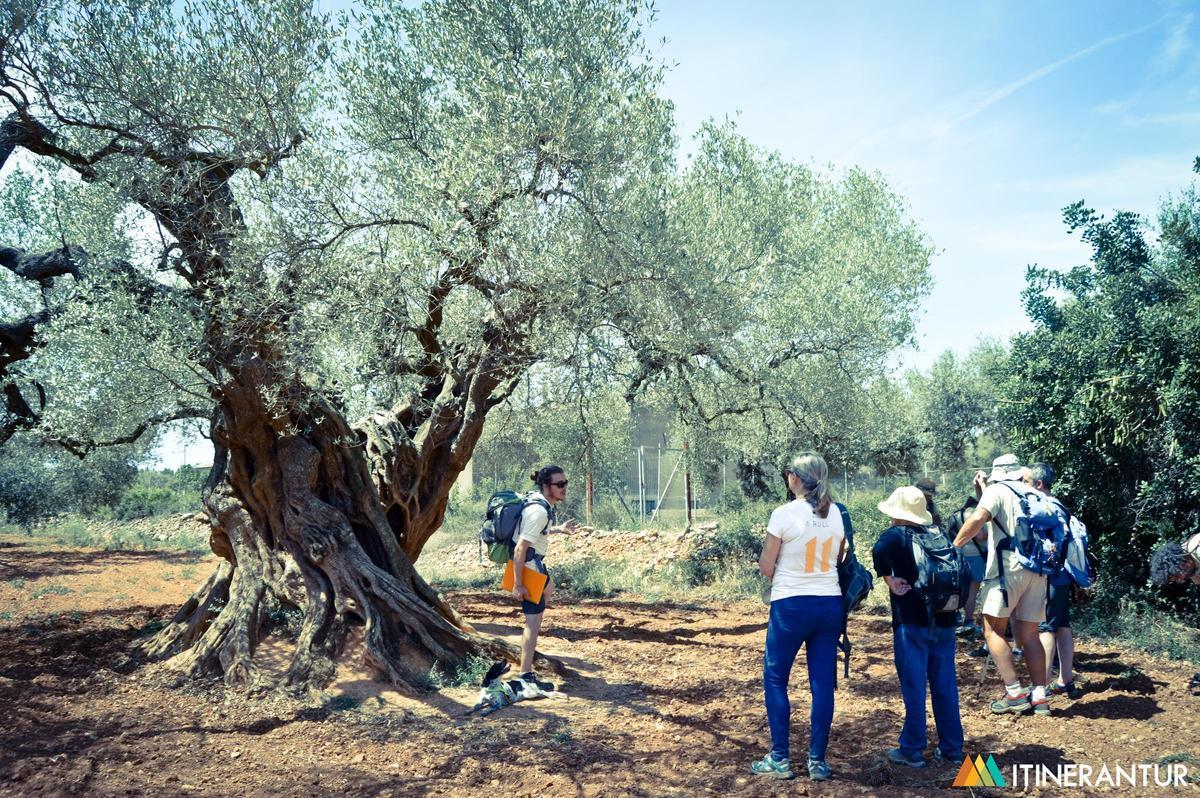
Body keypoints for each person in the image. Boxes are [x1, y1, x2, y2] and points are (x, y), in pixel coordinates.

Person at [752, 452, 846, 782]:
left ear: (795, 478)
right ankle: (817, 761)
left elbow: (766, 567)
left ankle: (779, 758)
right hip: (829, 604)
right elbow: (840, 557)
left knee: (776, 678)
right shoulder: (835, 513)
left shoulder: (783, 514)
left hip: (791, 604)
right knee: (822, 685)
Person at [952, 454, 1052, 716]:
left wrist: (954, 547)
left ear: (997, 474)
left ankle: (1014, 693)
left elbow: (977, 519)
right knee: (1030, 634)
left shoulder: (997, 490)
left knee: (992, 630)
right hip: (1038, 571)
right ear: (1018, 473)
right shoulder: (1033, 493)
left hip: (1006, 572)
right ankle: (1040, 696)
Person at [872, 486, 964, 769]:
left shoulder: (896, 535)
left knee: (914, 686)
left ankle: (912, 749)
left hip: (911, 621)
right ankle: (952, 749)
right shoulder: (939, 533)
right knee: (945, 685)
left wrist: (889, 580)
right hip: (945, 620)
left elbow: (877, 552)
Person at [511, 465, 578, 689]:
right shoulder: (538, 511)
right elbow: (520, 548)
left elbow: (539, 531)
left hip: (535, 566)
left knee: (549, 588)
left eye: (565, 483)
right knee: (532, 625)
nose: (564, 488)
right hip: (529, 569)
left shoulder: (542, 505)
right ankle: (525, 676)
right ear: (546, 486)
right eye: (560, 484)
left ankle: (528, 657)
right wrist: (518, 584)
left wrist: (560, 529)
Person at [1025, 463, 1081, 700]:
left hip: (1053, 575)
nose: (1024, 489)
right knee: (1062, 625)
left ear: (1039, 485)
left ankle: (1042, 686)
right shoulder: (1060, 506)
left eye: (1027, 484)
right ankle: (1065, 680)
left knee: (1046, 627)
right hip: (1064, 575)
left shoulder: (1045, 508)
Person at [946, 495, 985, 642]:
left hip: (960, 555)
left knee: (959, 588)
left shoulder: (957, 514)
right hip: (976, 556)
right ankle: (968, 621)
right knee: (972, 591)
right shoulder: (977, 514)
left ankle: (954, 617)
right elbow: (981, 536)